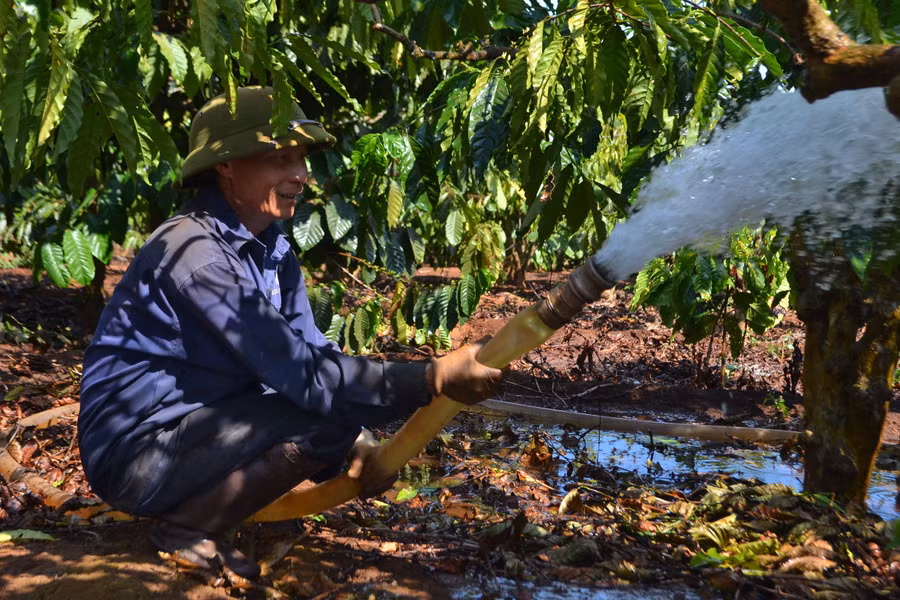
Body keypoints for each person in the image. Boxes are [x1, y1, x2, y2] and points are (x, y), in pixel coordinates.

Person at [77, 86, 504, 579]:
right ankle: (187, 528)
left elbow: (310, 348)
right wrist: (432, 377)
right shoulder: (196, 253)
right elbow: (304, 374)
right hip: (137, 455)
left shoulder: (271, 248)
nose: (300, 175)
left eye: (300, 159)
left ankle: (202, 512)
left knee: (334, 420)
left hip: (191, 431)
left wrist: (361, 439)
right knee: (322, 418)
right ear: (226, 165)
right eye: (280, 158)